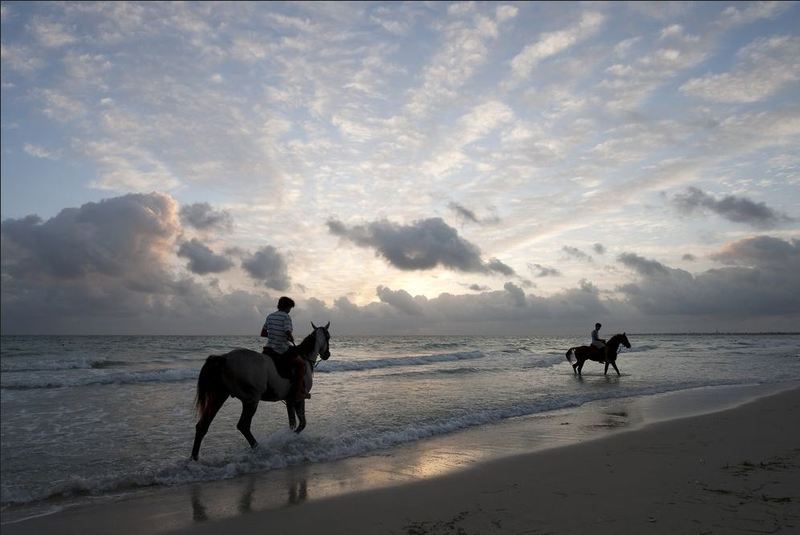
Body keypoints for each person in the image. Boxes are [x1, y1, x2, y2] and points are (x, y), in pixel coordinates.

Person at [260, 296, 309, 401]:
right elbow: (287, 331)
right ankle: (298, 393)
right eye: (290, 308)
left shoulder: (270, 316)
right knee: (301, 365)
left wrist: (274, 335)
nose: (290, 310)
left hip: (268, 350)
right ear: (287, 307)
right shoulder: (286, 317)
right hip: (281, 349)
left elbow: (263, 333)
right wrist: (290, 337)